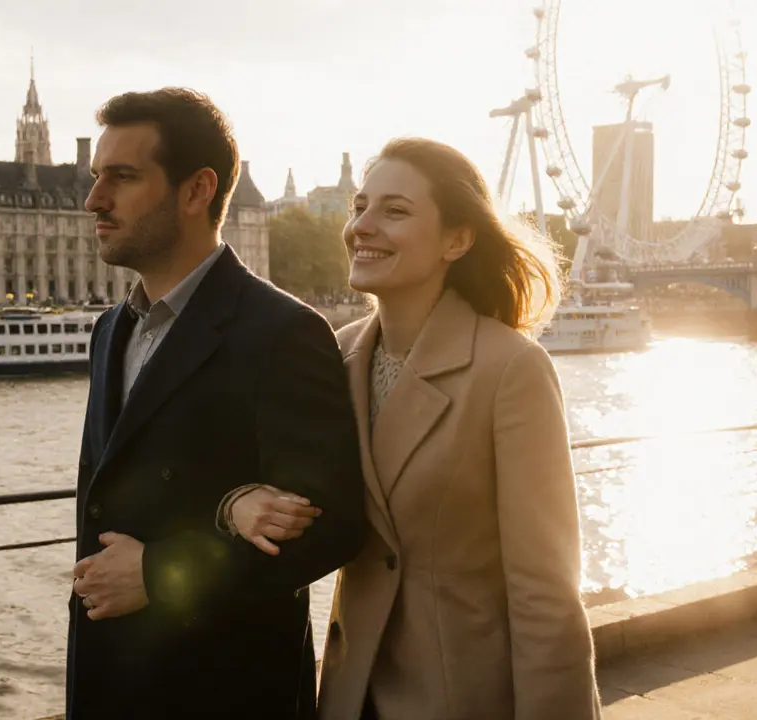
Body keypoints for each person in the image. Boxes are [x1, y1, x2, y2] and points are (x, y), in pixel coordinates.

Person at [228, 138, 602, 719]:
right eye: (359, 207)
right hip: (351, 695)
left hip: (460, 698)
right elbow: (288, 497)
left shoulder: (510, 370)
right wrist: (240, 500)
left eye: (395, 211)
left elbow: (546, 592)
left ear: (458, 239)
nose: (362, 227)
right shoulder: (337, 356)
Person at [67, 87, 368, 719]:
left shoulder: (281, 331)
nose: (94, 200)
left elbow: (333, 526)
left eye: (122, 178)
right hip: (111, 681)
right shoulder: (108, 332)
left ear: (198, 191)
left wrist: (159, 573)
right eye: (97, 178)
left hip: (222, 689)